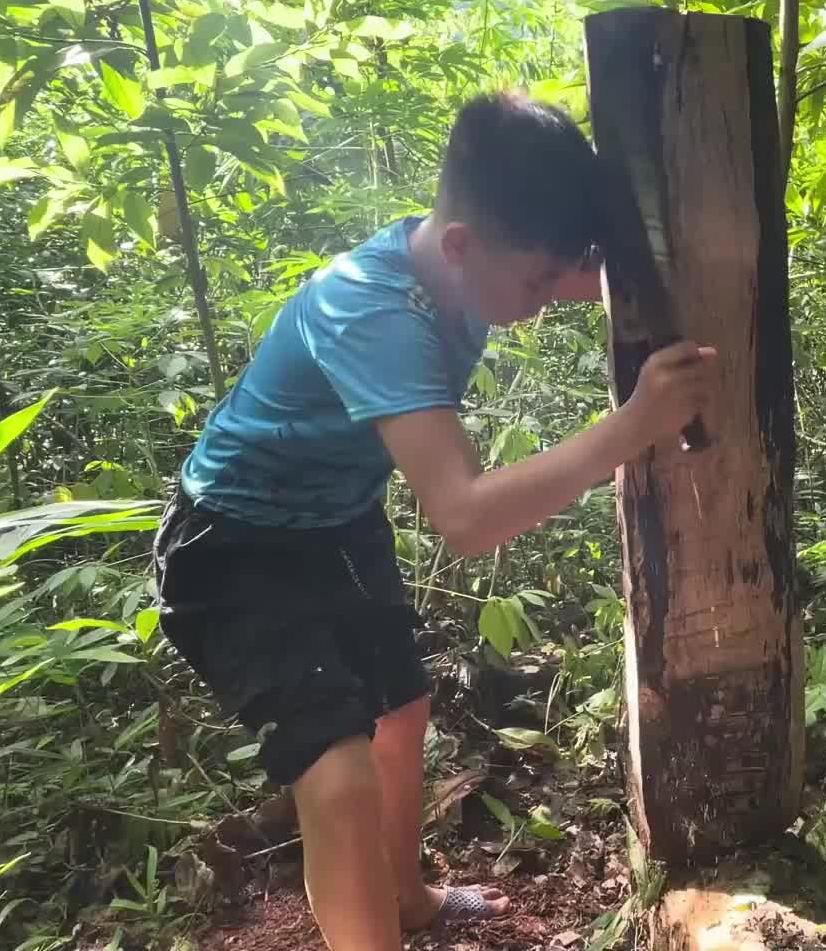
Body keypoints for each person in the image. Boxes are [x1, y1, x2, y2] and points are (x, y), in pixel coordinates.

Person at [151, 91, 717, 950]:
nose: (548, 300)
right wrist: (632, 425)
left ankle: (407, 898)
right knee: (337, 777)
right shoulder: (373, 310)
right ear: (461, 247)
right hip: (233, 547)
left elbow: (576, 260)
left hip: (334, 522)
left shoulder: (463, 263)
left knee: (400, 710)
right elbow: (463, 517)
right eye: (535, 282)